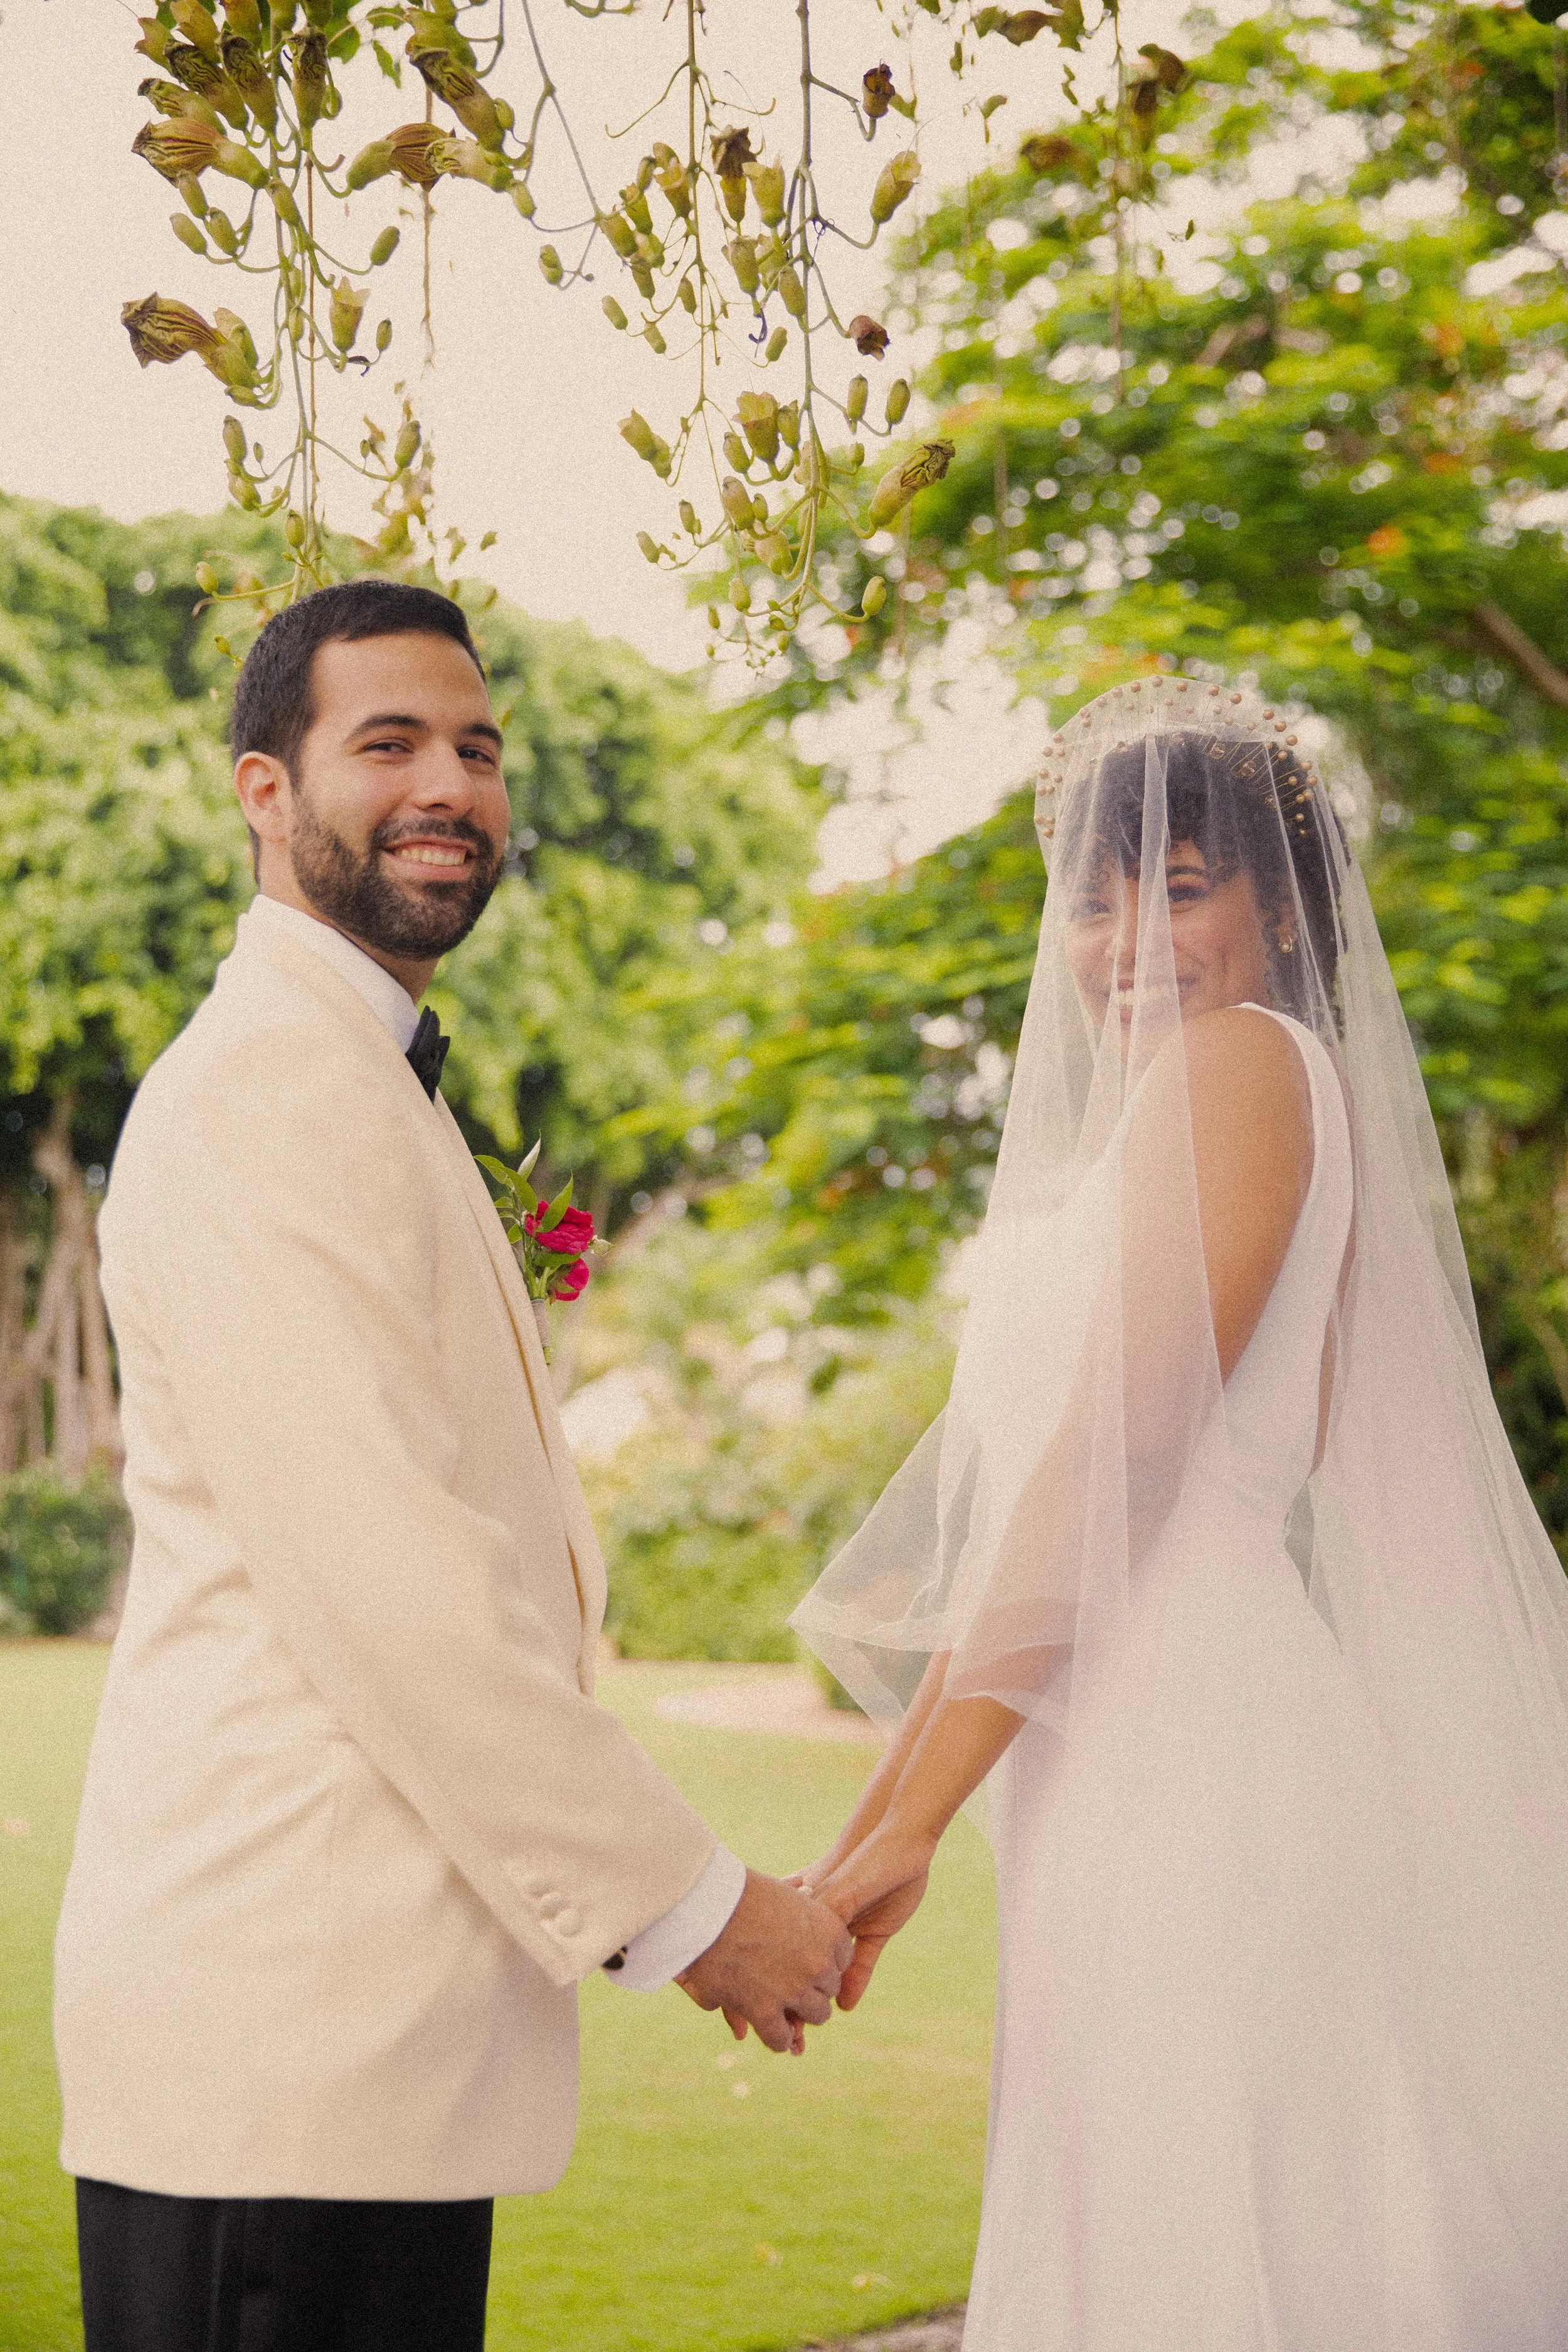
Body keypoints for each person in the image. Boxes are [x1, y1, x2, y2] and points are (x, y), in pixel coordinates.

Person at [53, 578, 851, 2352]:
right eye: (389, 742)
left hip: (361, 2064)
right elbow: (403, 1593)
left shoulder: (357, 1080)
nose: (452, 785)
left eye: (478, 749)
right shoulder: (267, 1093)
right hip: (278, 2051)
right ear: (265, 789)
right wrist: (705, 1912)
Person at [791, 679, 1568, 2349]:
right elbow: (1028, 1513)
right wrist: (873, 1832)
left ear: (1281, 904)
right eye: (1093, 895)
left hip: (1205, 1765)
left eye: (1182, 882)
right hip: (1123, 1765)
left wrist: (912, 1826)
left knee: (1207, 2241)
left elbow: (1103, 1480)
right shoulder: (1187, 1106)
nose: (1127, 930)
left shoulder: (1235, 1069)